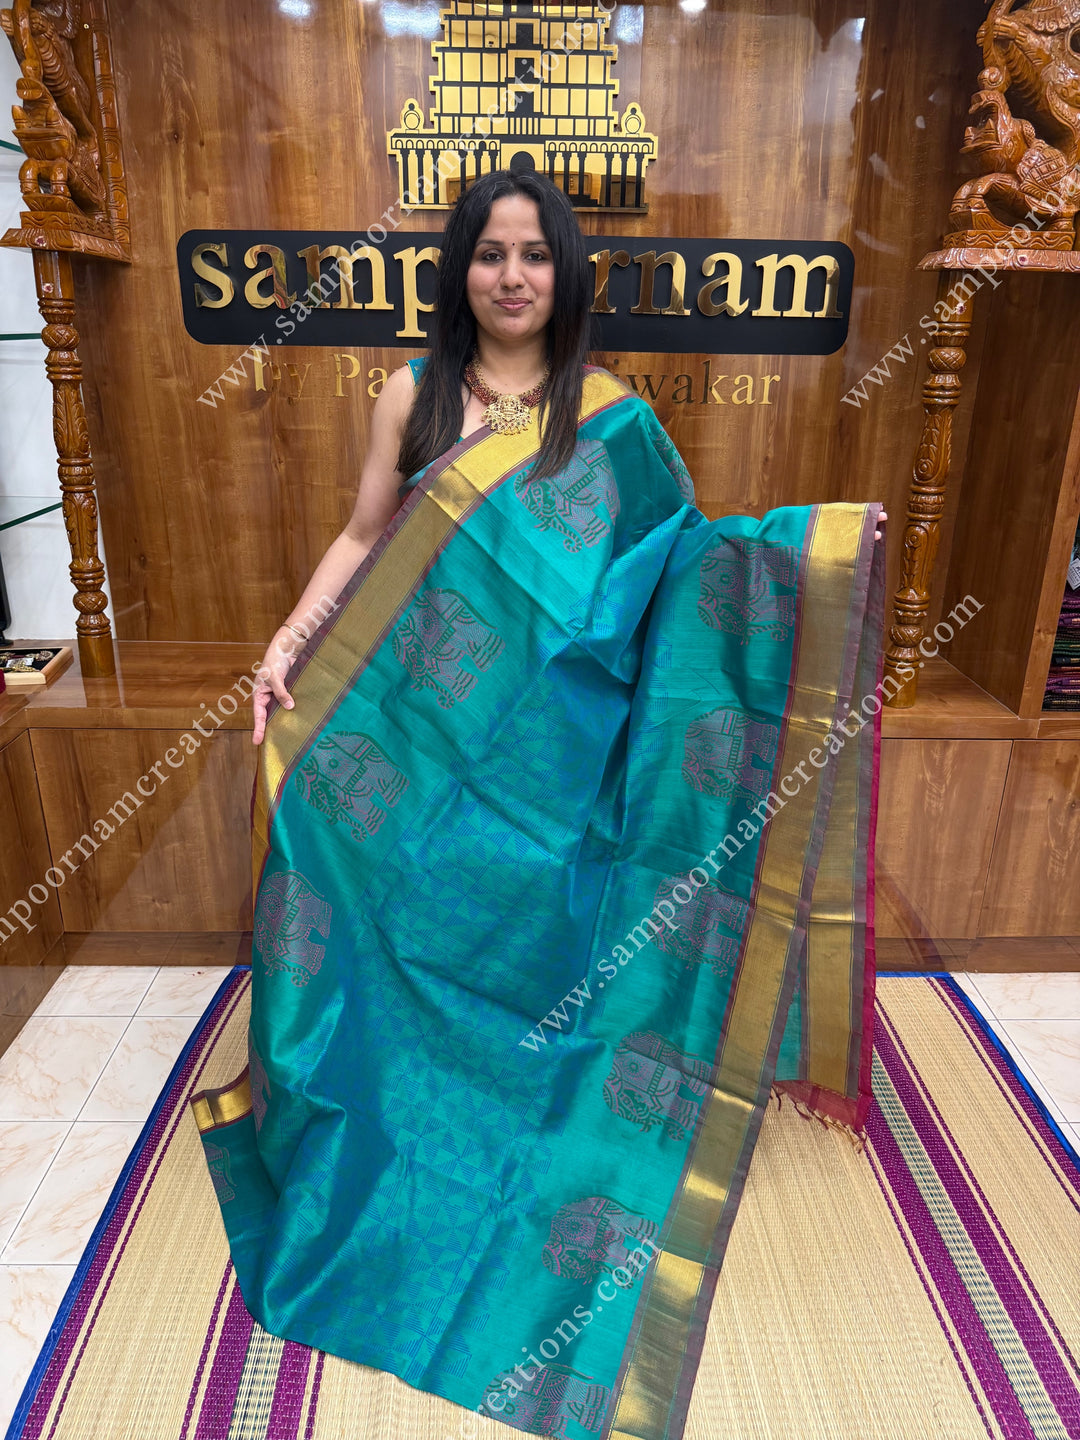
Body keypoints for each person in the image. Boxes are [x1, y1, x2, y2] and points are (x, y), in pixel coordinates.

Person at [192, 169, 888, 1440]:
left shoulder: (609, 418)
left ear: (565, 275)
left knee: (546, 906)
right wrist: (289, 641)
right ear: (458, 270)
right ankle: (342, 1092)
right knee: (307, 814)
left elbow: (684, 569)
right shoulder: (412, 394)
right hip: (418, 734)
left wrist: (815, 551)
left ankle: (508, 1088)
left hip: (548, 761)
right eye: (488, 253)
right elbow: (362, 536)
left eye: (535, 255)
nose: (511, 276)